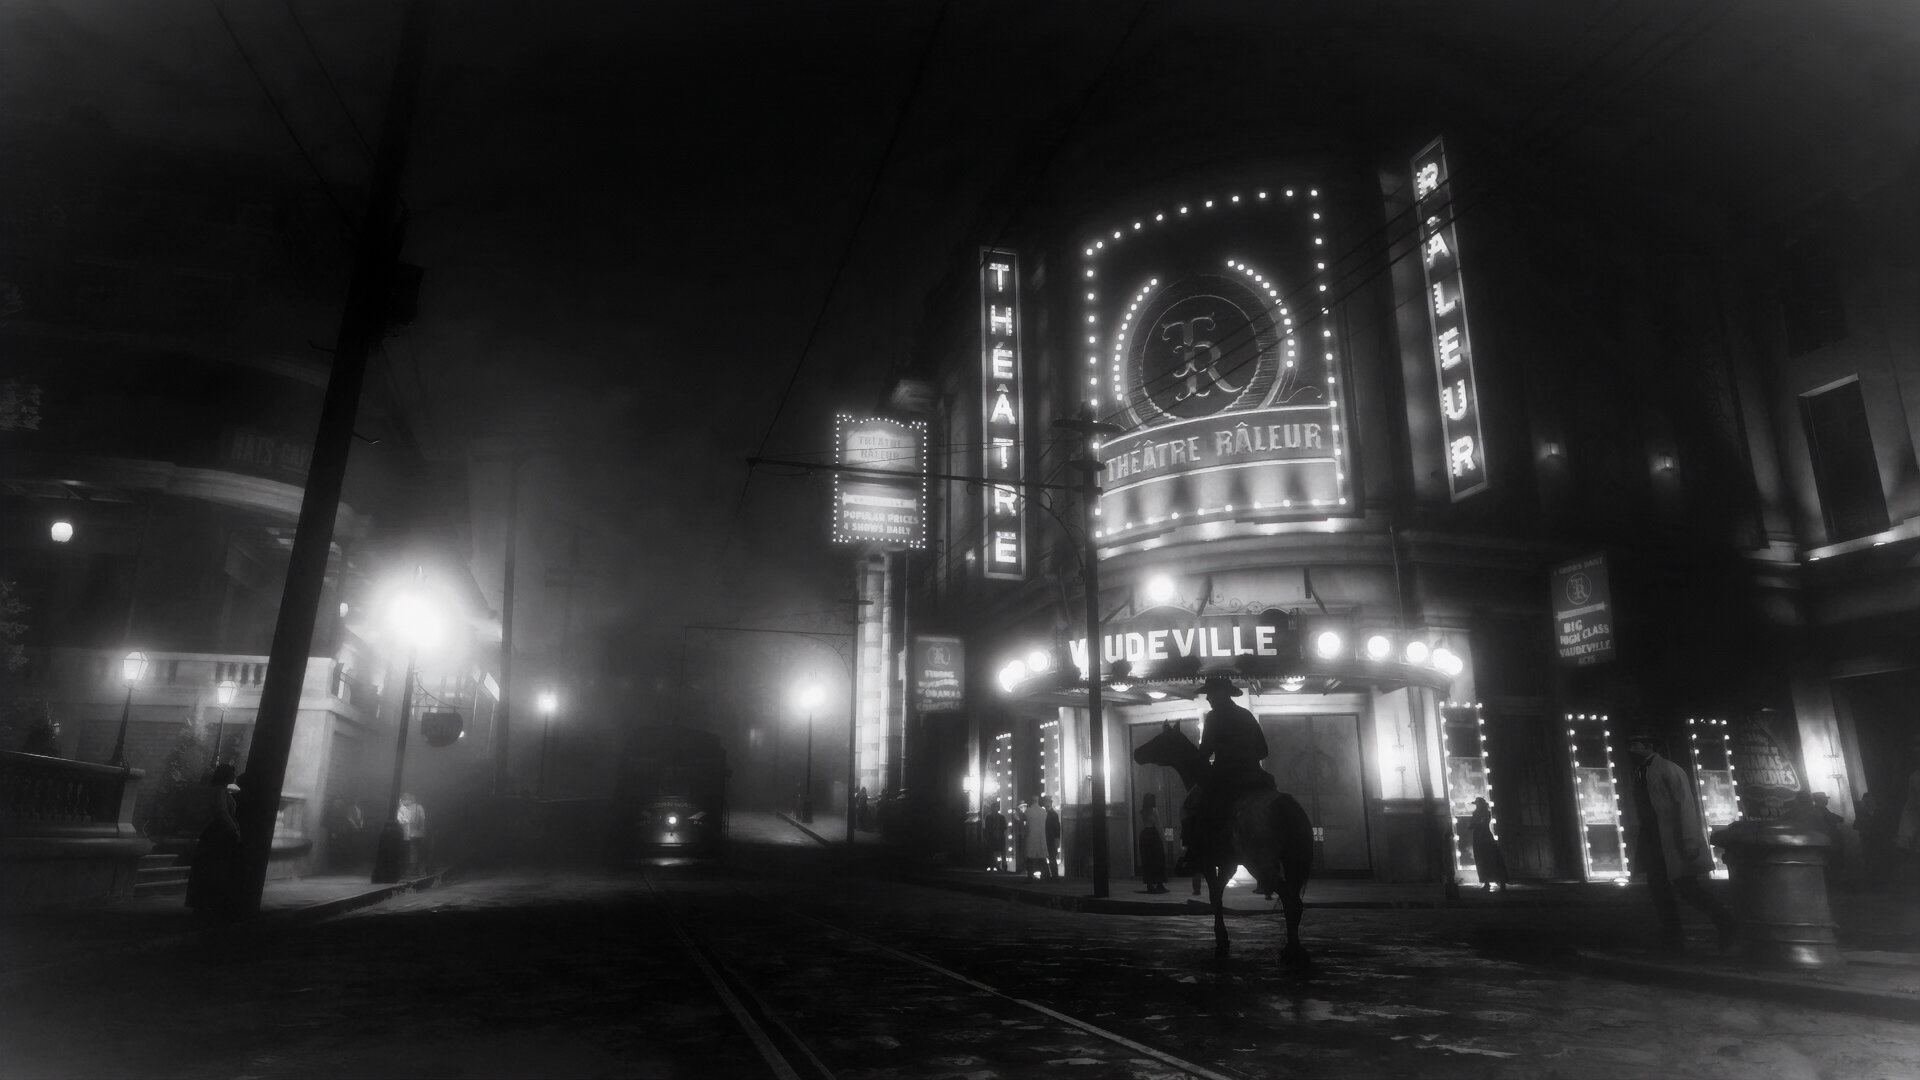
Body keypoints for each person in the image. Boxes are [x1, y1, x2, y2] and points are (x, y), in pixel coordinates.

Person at [1626, 735, 1736, 952]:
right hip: (1653, 838)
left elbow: (1684, 805)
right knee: (1659, 889)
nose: (1631, 749)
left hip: (1671, 839)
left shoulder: (1668, 769)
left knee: (1688, 888)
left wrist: (1688, 839)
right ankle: (1673, 937)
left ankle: (1725, 922)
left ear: (1649, 746)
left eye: (1635, 744)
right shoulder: (1641, 771)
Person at [1174, 676, 1273, 876]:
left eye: (1210, 694)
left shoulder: (1213, 718)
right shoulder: (1246, 715)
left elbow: (1204, 754)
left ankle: (1194, 855)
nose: (1208, 698)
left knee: (1192, 806)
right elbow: (1263, 751)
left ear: (1220, 694)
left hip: (1225, 777)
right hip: (1254, 776)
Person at [185, 763, 244, 924]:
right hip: (218, 834)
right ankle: (205, 903)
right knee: (213, 867)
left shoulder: (224, 791)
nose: (234, 777)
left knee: (216, 868)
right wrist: (234, 830)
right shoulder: (219, 792)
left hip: (221, 833)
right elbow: (222, 813)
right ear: (226, 776)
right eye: (231, 774)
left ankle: (210, 902)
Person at [1469, 797, 1509, 892]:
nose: (1477, 806)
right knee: (1482, 860)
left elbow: (1478, 824)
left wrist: (1474, 824)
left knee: (1491, 859)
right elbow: (1473, 825)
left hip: (1484, 837)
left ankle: (1499, 881)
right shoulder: (1478, 813)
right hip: (1480, 838)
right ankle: (1487, 882)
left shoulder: (1485, 813)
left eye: (1478, 804)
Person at [1137, 793, 1169, 893]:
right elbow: (1158, 825)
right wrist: (1164, 838)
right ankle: (1159, 883)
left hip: (1144, 836)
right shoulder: (1154, 811)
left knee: (1147, 861)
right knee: (1158, 860)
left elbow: (1141, 826)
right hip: (1153, 836)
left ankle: (1150, 884)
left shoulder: (1142, 812)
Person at [397, 792, 428, 876]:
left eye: (405, 799)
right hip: (419, 833)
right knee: (421, 851)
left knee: (412, 851)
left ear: (410, 800)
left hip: (410, 833)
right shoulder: (419, 807)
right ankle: (421, 871)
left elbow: (403, 821)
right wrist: (421, 828)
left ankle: (412, 870)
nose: (404, 801)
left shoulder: (405, 809)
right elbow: (423, 818)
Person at [1021, 797, 1049, 877]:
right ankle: (1045, 875)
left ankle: (1030, 876)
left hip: (1031, 837)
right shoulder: (1043, 811)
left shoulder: (1028, 811)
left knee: (1031, 858)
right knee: (1042, 857)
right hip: (1041, 837)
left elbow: (1023, 820)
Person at [1040, 794, 1061, 880]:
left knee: (1052, 858)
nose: (1047, 804)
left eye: (1048, 802)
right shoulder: (1045, 814)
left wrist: (1056, 839)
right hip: (1046, 839)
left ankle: (1054, 876)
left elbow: (1057, 828)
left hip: (1051, 839)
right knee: (1045, 858)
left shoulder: (1053, 814)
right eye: (1046, 802)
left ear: (1051, 803)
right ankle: (1047, 875)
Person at [983, 799, 1007, 871]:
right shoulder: (988, 817)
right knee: (993, 851)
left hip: (1000, 836)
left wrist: (999, 832)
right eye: (994, 808)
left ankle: (1003, 864)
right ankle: (996, 865)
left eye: (996, 808)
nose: (995, 809)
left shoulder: (1001, 817)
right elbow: (987, 827)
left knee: (1002, 851)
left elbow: (1004, 826)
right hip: (992, 836)